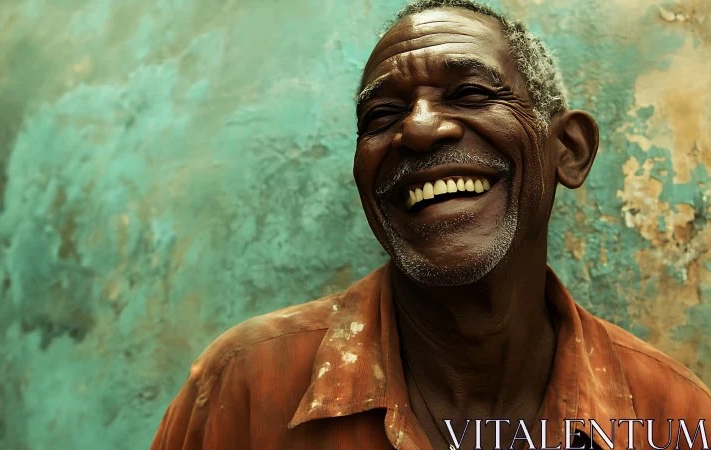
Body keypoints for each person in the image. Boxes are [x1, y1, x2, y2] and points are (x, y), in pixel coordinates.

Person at [149, 1, 711, 449]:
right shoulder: (246, 386)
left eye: (470, 93)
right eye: (381, 116)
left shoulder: (674, 414)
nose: (417, 130)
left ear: (568, 150)